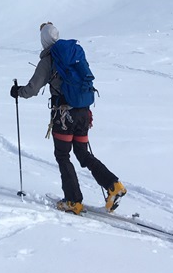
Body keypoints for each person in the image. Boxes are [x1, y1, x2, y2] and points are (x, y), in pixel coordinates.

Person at [11, 22, 126, 215]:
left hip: (64, 115)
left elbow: (32, 89)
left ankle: (74, 201)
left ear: (44, 40)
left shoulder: (49, 59)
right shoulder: (74, 54)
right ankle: (114, 185)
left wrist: (18, 92)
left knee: (63, 156)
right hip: (83, 112)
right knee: (82, 153)